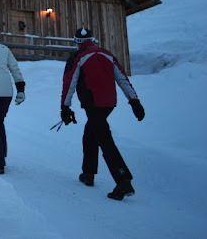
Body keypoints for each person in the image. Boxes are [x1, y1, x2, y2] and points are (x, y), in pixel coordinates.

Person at [61, 27, 146, 201]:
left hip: (92, 103)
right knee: (90, 134)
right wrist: (134, 102)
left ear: (76, 42)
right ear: (93, 40)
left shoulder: (77, 57)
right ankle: (88, 173)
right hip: (108, 104)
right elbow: (123, 79)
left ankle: (123, 180)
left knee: (104, 139)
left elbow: (69, 83)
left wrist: (65, 107)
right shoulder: (107, 55)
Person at [0, 27, 25, 174]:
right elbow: (15, 69)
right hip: (6, 92)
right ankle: (1, 154)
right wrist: (20, 89)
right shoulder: (3, 49)